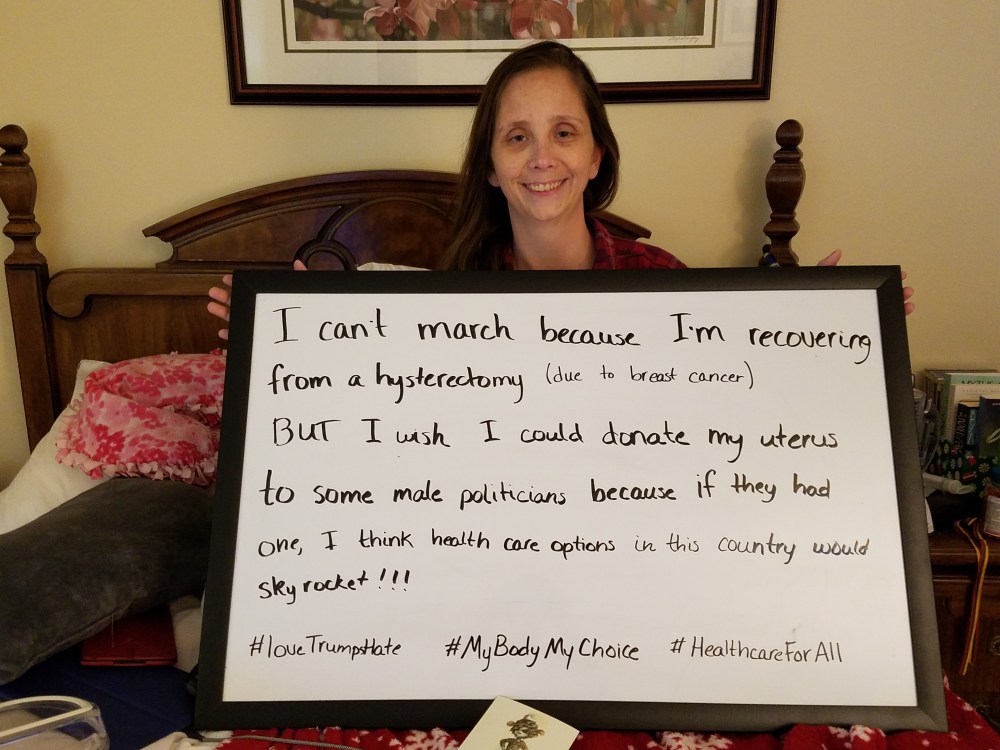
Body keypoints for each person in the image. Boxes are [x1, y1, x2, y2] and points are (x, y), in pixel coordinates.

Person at [208, 41, 913, 336]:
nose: (541, 158)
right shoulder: (447, 296)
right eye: (517, 137)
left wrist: (823, 329)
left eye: (564, 133)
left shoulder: (662, 281)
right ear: (490, 165)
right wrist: (290, 339)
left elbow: (737, 401)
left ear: (599, 153)